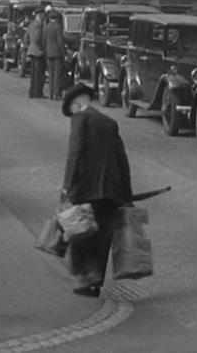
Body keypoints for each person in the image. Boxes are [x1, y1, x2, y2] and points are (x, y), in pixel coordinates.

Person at [61, 83, 133, 297]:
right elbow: (122, 159)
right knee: (102, 236)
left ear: (76, 104)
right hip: (111, 191)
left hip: (86, 189)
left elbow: (75, 153)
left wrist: (67, 187)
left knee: (80, 233)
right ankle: (95, 282)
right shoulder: (110, 123)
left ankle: (84, 278)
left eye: (71, 109)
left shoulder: (80, 119)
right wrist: (126, 195)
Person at [42, 10, 67, 100]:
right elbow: (60, 41)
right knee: (57, 75)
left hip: (48, 53)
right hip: (57, 53)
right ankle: (57, 94)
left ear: (49, 18)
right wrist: (64, 53)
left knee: (51, 74)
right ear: (56, 18)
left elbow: (43, 42)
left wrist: (45, 52)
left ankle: (50, 94)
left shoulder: (45, 28)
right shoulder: (58, 27)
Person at [23, 11, 46, 98]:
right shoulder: (39, 25)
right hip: (38, 52)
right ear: (41, 16)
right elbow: (37, 38)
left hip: (31, 50)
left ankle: (32, 92)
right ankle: (37, 93)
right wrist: (41, 48)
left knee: (33, 74)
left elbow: (26, 37)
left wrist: (28, 47)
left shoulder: (31, 24)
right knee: (39, 74)